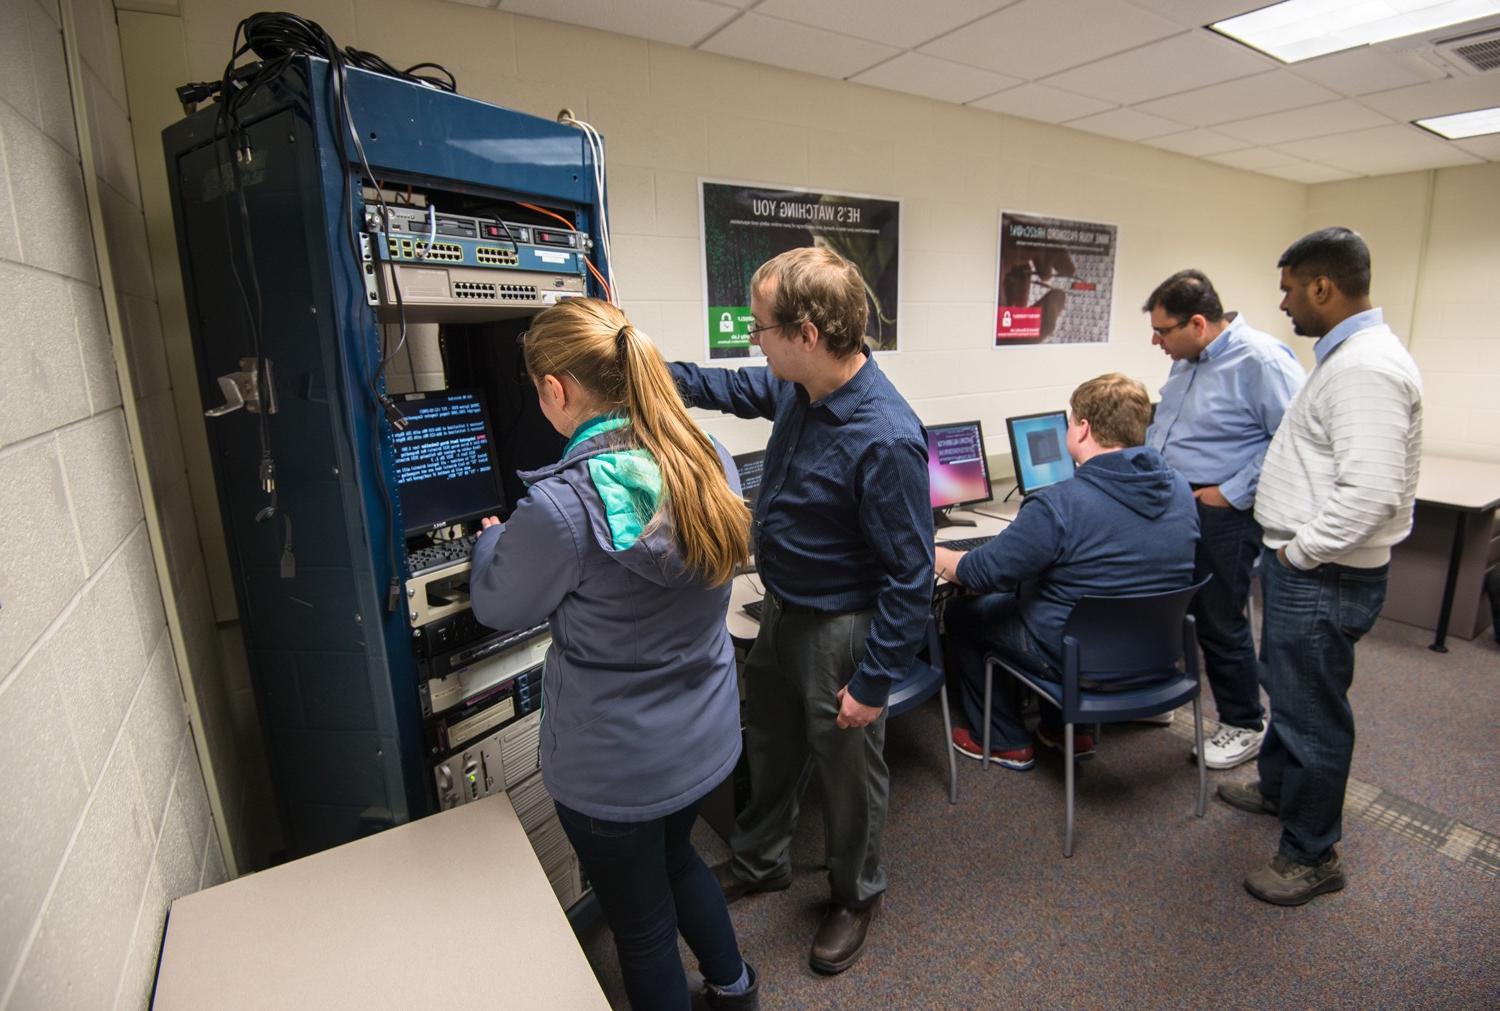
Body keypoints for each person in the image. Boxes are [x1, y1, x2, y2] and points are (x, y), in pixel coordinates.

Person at [468, 298, 759, 1010]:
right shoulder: (707, 457)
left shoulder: (561, 509)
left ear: (557, 390)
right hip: (702, 739)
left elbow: (497, 603)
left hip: (614, 769)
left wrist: (489, 539)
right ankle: (735, 986)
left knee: (642, 926)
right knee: (679, 857)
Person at [669, 247, 933, 975]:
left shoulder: (885, 436)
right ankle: (761, 862)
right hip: (781, 612)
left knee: (849, 773)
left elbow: (912, 576)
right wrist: (655, 374)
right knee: (773, 747)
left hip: (841, 631)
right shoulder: (801, 387)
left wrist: (875, 682)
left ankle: (855, 894)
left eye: (760, 326)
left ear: (806, 333)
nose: (755, 337)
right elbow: (731, 386)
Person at [1219, 227, 1422, 907]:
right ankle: (1280, 789)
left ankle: (1311, 854)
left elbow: (1371, 492)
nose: (1283, 303)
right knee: (1291, 689)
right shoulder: (1347, 358)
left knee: (1313, 713)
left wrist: (1299, 552)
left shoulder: (1366, 367)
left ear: (1323, 287)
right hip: (1307, 567)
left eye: (1288, 289)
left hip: (1322, 570)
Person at [937, 373, 1198, 768]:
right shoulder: (1180, 487)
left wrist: (931, 551)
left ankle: (1003, 739)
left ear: (1083, 428)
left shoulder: (1060, 504)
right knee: (1061, 597)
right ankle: (1064, 731)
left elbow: (980, 573)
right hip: (1156, 653)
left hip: (1077, 657)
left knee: (962, 613)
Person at [1142, 270, 1305, 768]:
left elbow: (1292, 439)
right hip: (1175, 504)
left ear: (1197, 323)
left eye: (1163, 330)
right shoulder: (1187, 359)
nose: (1156, 341)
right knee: (1162, 603)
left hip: (1223, 513)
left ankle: (1242, 722)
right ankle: (1157, 696)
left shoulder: (1260, 360)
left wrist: (1231, 493)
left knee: (1218, 617)